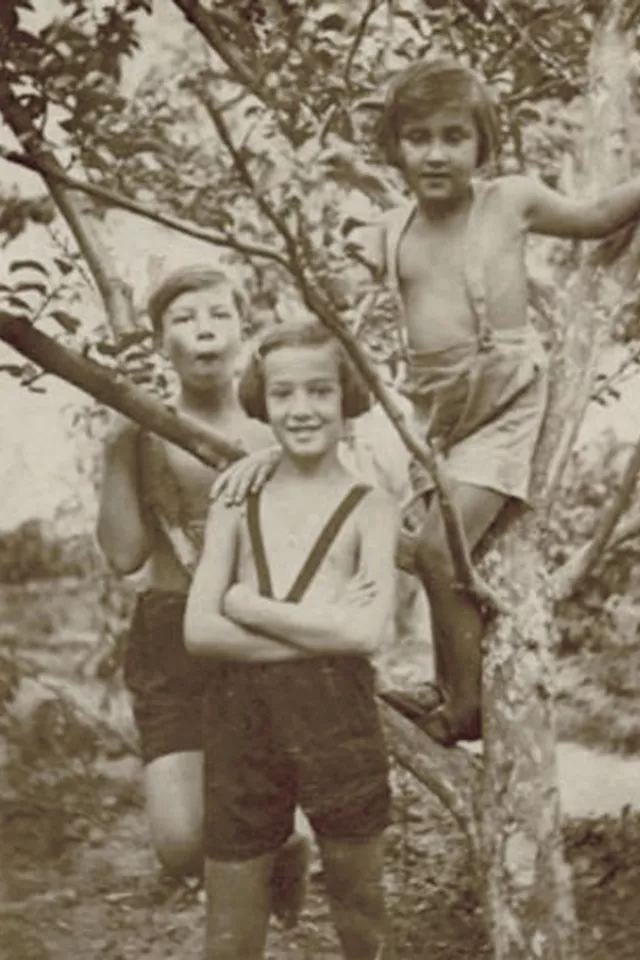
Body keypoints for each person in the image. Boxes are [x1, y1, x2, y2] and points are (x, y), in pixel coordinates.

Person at [211, 57, 640, 747]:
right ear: (394, 147)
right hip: (435, 416)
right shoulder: (390, 230)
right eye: (418, 137)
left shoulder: (511, 202)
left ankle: (465, 710)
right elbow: (332, 314)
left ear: (482, 143)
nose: (436, 153)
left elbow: (595, 217)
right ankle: (447, 683)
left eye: (453, 136)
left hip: (504, 401)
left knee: (440, 553)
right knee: (440, 552)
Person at [96, 265, 308, 921]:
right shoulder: (142, 431)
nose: (204, 330)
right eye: (183, 320)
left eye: (218, 314)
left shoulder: (277, 433)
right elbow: (125, 555)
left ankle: (274, 855)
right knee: (181, 842)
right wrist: (118, 442)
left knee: (247, 814)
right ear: (162, 343)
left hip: (254, 634)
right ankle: (282, 847)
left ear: (244, 330)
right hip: (169, 633)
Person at [184, 321, 399, 960]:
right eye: (282, 393)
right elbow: (199, 631)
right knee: (230, 921)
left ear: (346, 395)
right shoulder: (236, 500)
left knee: (359, 902)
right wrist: (329, 632)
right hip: (240, 716)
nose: (301, 408)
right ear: (262, 399)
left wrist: (247, 604)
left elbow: (367, 631)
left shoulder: (371, 507)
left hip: (339, 717)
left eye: (319, 391)